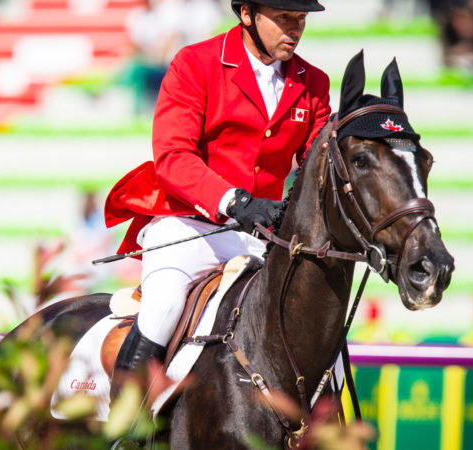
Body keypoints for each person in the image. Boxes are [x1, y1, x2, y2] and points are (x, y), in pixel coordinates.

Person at [103, 0, 331, 399]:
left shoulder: (313, 82)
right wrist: (235, 202)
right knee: (163, 310)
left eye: (301, 20)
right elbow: (173, 155)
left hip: (260, 237)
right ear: (246, 14)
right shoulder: (196, 63)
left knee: (317, 324)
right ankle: (124, 430)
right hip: (190, 225)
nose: (294, 30)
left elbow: (318, 164)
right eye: (284, 19)